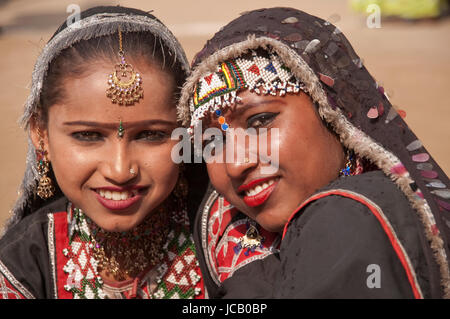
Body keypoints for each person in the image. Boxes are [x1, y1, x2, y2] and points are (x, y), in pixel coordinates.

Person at [177, 7, 450, 298]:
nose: (235, 165)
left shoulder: (348, 217)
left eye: (261, 121)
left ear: (333, 112)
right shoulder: (229, 234)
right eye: (212, 143)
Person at [0, 6, 204, 299]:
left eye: (150, 135)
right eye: (88, 136)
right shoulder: (23, 264)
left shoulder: (226, 235)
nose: (120, 171)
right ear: (40, 133)